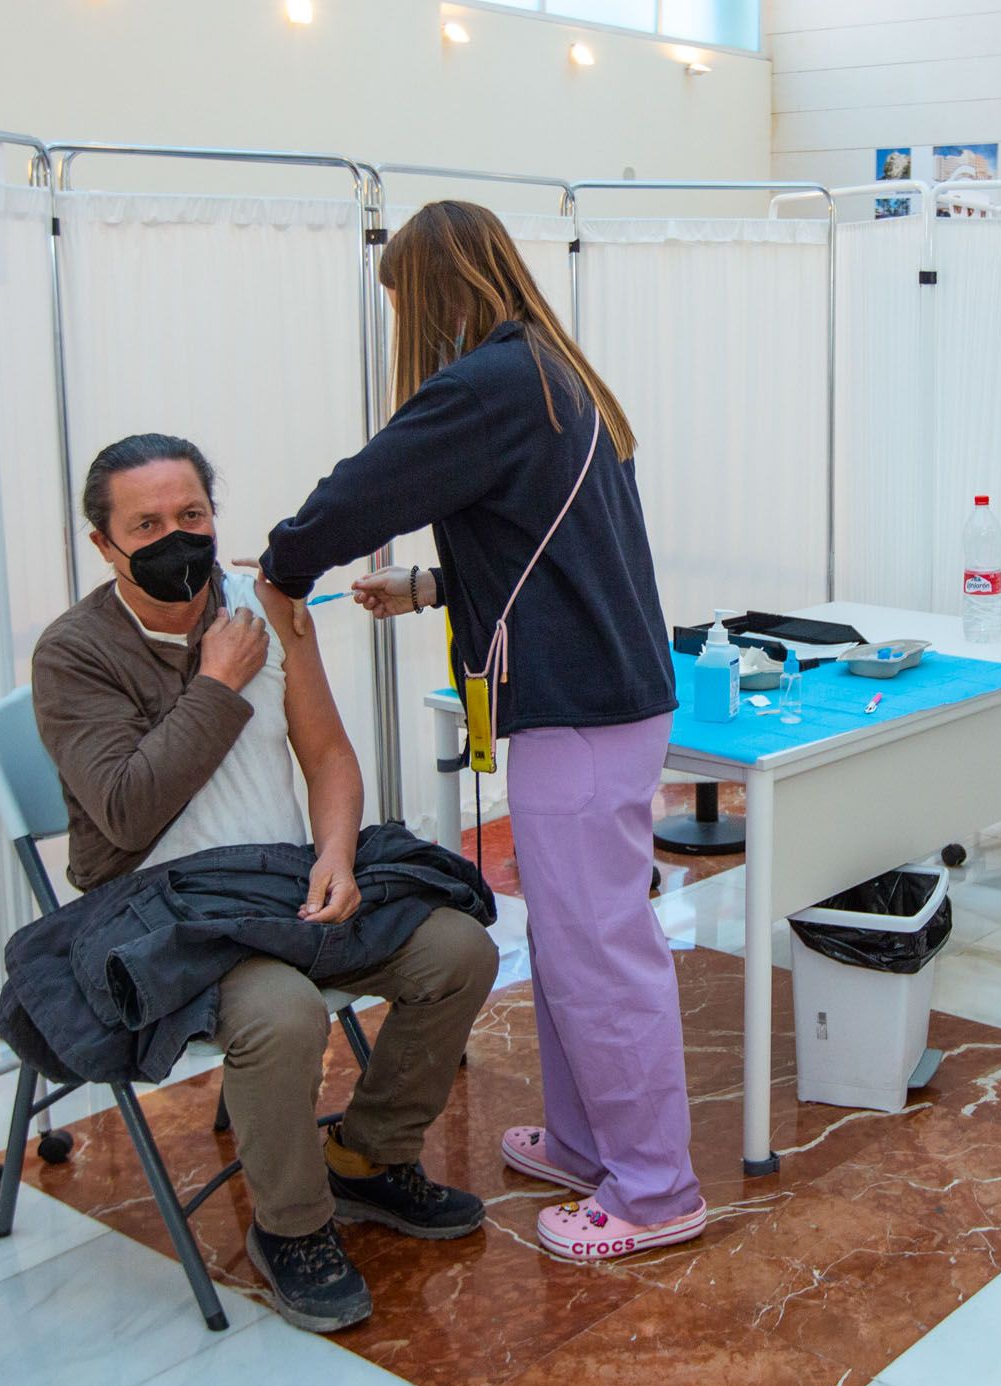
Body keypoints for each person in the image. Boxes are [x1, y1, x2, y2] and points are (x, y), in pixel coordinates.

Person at [255, 201, 705, 1263]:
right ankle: (589, 1139)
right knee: (570, 938)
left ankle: (653, 1186)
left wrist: (284, 562)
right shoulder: (554, 376)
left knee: (601, 951)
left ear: (434, 289)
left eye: (405, 300)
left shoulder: (490, 382)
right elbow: (551, 546)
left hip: (577, 711)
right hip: (599, 698)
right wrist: (427, 585)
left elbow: (369, 484)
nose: (407, 322)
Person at [31, 434, 498, 1332]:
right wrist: (217, 683)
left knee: (459, 948)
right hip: (160, 911)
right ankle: (290, 1227)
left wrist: (334, 852)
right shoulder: (73, 654)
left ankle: (368, 1158)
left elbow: (328, 756)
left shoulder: (269, 605)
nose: (180, 538)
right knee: (282, 1012)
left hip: (282, 885)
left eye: (193, 516)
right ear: (104, 544)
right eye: (149, 524)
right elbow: (127, 812)